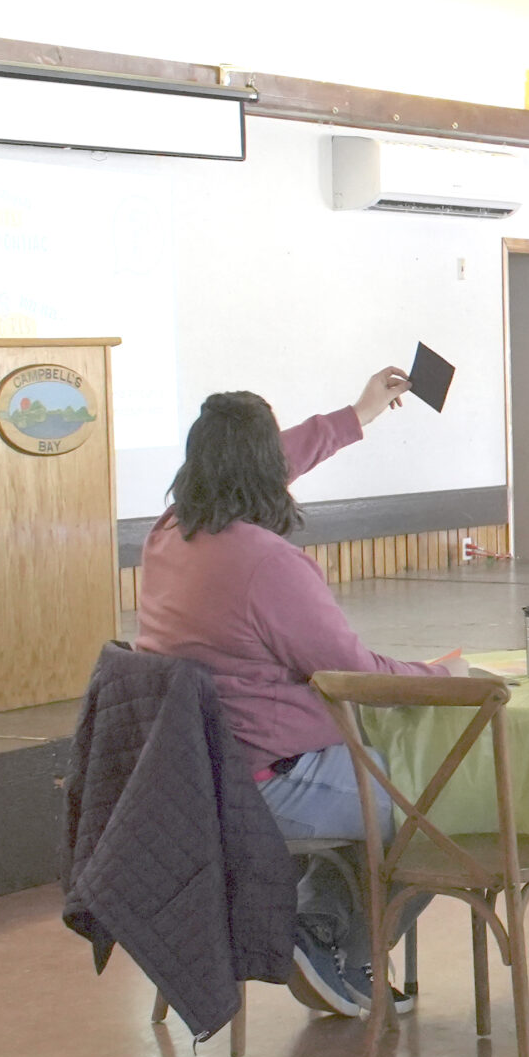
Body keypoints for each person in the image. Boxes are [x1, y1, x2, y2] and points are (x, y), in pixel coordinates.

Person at [133, 367, 458, 1018]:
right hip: (270, 780)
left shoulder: (168, 532)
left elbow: (260, 461)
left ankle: (320, 924)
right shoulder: (268, 564)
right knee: (441, 812)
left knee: (381, 796)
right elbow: (355, 675)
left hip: (192, 778)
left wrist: (359, 414)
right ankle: (332, 939)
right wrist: (449, 676)